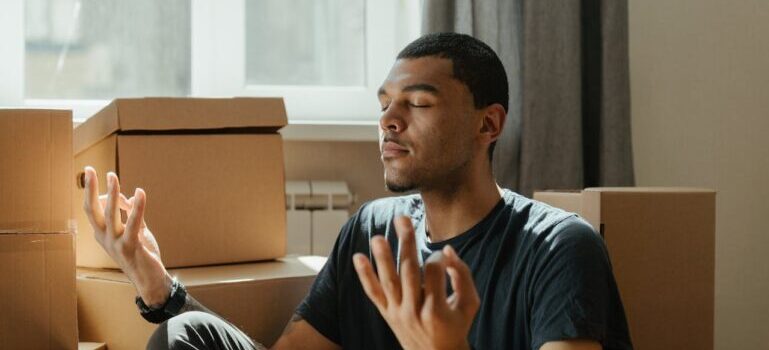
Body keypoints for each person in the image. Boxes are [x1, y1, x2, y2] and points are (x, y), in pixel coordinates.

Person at [82, 32, 632, 350]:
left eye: (416, 104)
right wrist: (158, 287)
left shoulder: (559, 248)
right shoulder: (373, 230)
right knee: (189, 333)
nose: (389, 120)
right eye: (383, 103)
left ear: (487, 125)